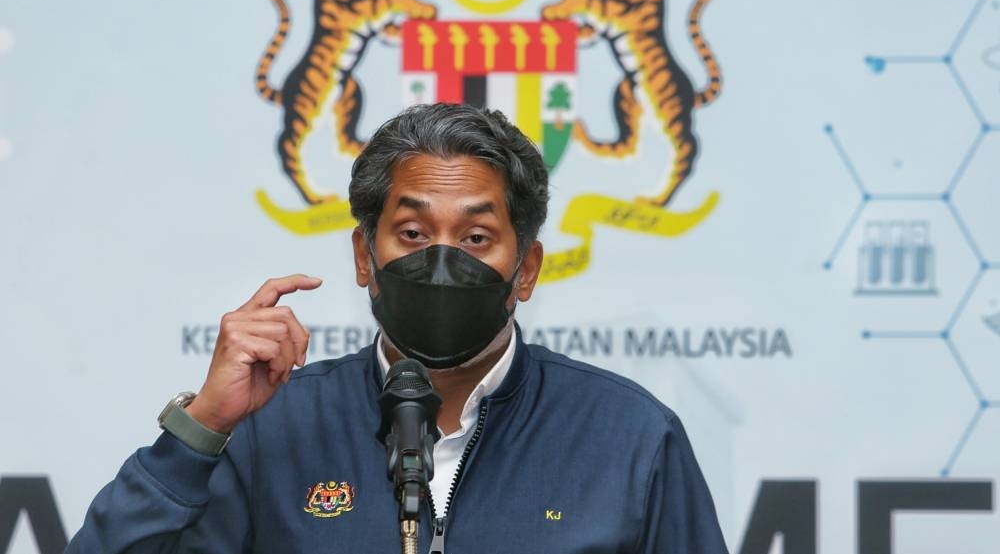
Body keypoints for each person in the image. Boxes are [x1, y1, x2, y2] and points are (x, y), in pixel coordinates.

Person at [66, 103, 729, 553]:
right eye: (412, 232)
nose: (441, 262)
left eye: (476, 236)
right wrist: (203, 427)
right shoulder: (272, 428)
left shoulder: (629, 435)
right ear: (365, 256)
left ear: (525, 268)